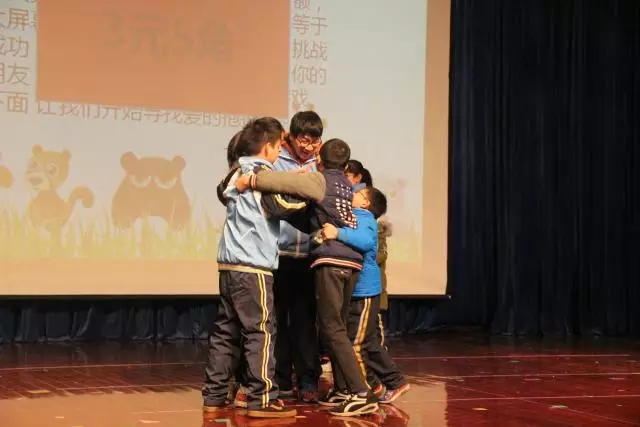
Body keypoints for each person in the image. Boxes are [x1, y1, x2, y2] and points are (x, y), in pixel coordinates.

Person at [243, 139, 379, 416]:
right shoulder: (346, 185)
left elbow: (285, 183)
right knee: (337, 328)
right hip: (351, 263)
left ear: (320, 160)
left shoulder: (321, 179)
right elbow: (310, 218)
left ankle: (361, 392)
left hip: (331, 261)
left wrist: (252, 179)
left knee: (331, 329)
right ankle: (344, 389)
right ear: (346, 164)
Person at [202, 117, 323, 418]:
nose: (279, 151)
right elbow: (284, 206)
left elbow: (223, 191)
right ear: (268, 146)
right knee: (262, 332)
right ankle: (263, 398)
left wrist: (286, 178)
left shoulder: (235, 173)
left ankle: (214, 395)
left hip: (228, 265)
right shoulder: (262, 174)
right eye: (279, 145)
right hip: (253, 265)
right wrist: (302, 190)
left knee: (225, 332)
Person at [321, 187, 410, 404]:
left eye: (359, 194)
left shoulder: (364, 218)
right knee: (367, 342)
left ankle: (364, 391)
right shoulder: (357, 216)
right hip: (359, 292)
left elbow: (366, 241)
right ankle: (390, 382)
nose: (353, 194)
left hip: (365, 292)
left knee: (357, 345)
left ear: (365, 204)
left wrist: (337, 233)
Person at [271, 111, 323, 402]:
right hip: (278, 253)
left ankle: (308, 381)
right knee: (277, 320)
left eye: (314, 141)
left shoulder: (320, 164)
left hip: (309, 254)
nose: (308, 147)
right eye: (303, 140)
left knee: (305, 322)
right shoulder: (276, 161)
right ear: (290, 137)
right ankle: (281, 380)